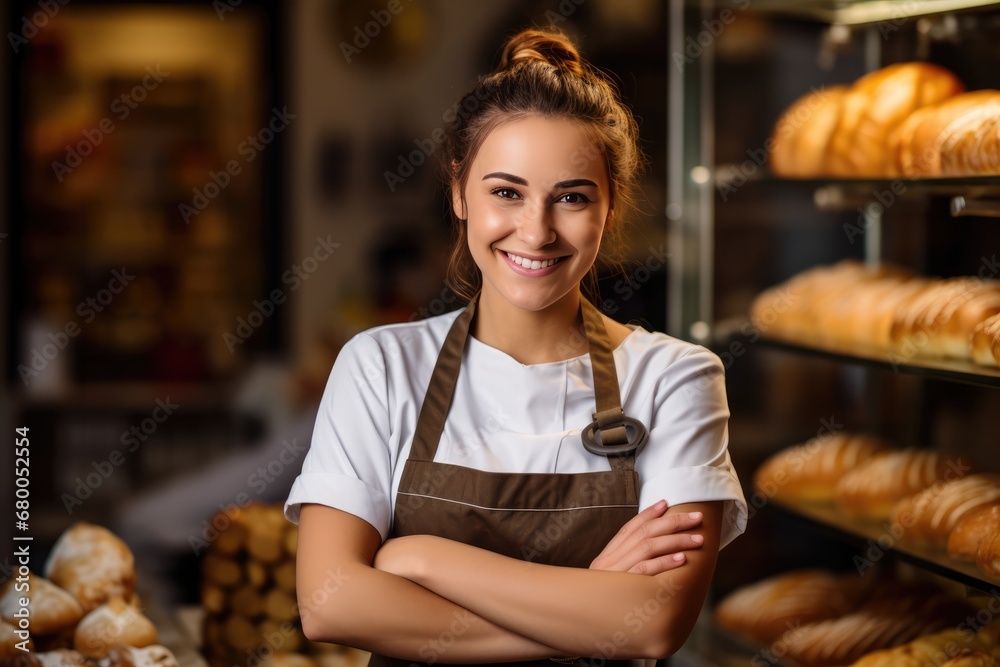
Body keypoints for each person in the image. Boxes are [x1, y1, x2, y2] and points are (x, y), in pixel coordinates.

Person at [283, 27, 747, 667]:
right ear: (458, 193)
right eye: (506, 192)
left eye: (573, 198)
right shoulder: (380, 366)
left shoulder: (676, 378)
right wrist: (586, 611)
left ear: (610, 210)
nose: (536, 230)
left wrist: (421, 559)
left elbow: (654, 623)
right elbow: (330, 603)